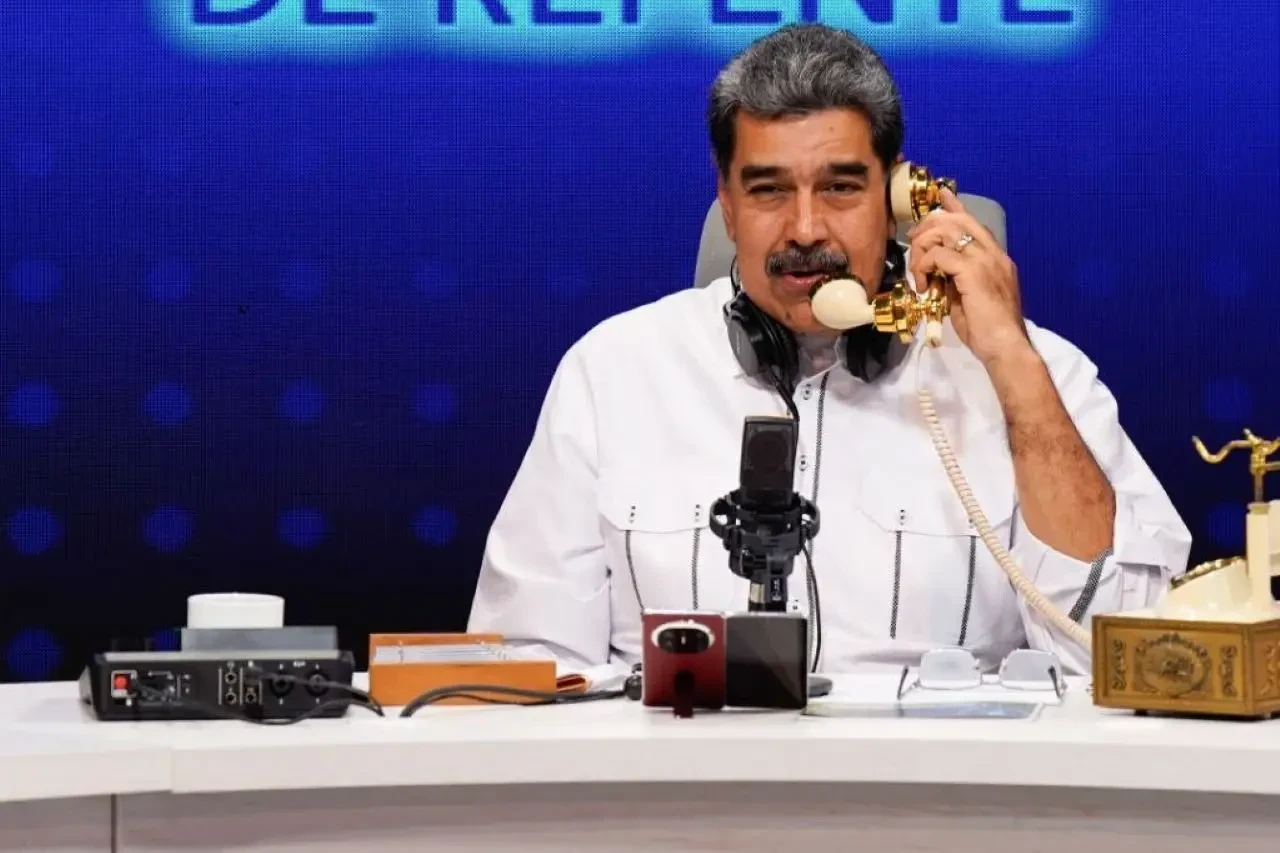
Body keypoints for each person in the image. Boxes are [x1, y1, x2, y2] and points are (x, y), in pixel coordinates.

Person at [467, 23, 1191, 688]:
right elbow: (526, 668)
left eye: (841, 187)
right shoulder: (613, 374)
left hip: (941, 783)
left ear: (897, 198)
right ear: (727, 205)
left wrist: (1011, 362)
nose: (806, 228)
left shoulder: (1037, 375)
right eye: (769, 190)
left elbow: (1130, 657)